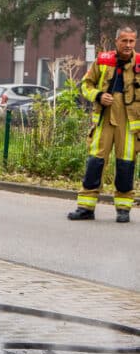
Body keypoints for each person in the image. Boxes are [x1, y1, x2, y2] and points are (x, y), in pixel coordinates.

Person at [67, 27, 139, 223]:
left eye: (132, 41)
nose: (128, 45)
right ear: (116, 42)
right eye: (124, 41)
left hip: (130, 125)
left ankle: (123, 210)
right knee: (95, 163)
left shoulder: (139, 63)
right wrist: (98, 95)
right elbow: (85, 85)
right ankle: (85, 208)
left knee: (125, 165)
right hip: (104, 119)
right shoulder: (103, 60)